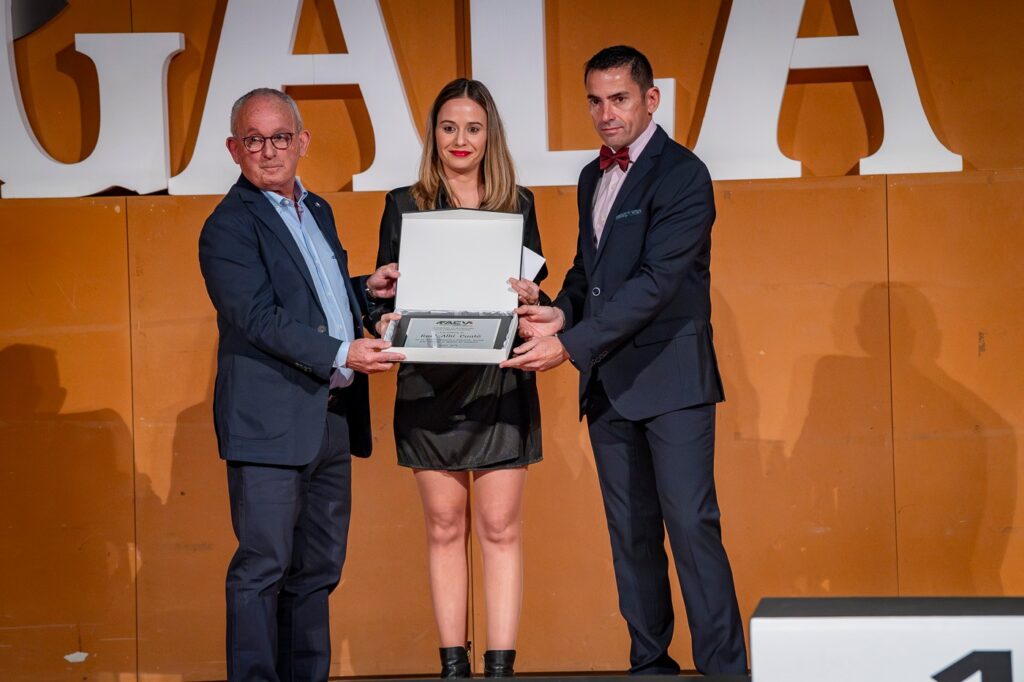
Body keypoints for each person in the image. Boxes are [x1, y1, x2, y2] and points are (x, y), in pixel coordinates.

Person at [501, 46, 747, 674]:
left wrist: (570, 345)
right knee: (631, 537)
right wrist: (561, 310)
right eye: (595, 100)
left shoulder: (684, 174)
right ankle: (650, 664)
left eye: (619, 99)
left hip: (672, 381)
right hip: (610, 382)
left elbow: (658, 282)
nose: (606, 114)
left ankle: (723, 668)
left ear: (650, 99)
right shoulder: (592, 177)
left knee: (691, 529)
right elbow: (594, 273)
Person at [198, 87, 404, 682]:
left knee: (316, 572)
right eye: (254, 140)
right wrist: (344, 350)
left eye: (280, 137)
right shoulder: (228, 227)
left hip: (330, 418)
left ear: (302, 142)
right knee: (263, 569)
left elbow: (315, 298)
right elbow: (259, 317)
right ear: (234, 148)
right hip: (268, 426)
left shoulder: (316, 209)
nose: (269, 151)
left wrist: (367, 290)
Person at [370, 78, 547, 678]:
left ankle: (499, 667)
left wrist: (533, 296)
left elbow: (536, 300)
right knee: (445, 527)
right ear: (434, 135)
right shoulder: (403, 203)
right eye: (449, 128)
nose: (461, 140)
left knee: (498, 528)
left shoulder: (518, 204)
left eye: (473, 128)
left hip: (497, 382)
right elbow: (382, 298)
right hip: (427, 384)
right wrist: (382, 310)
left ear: (489, 134)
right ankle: (453, 667)